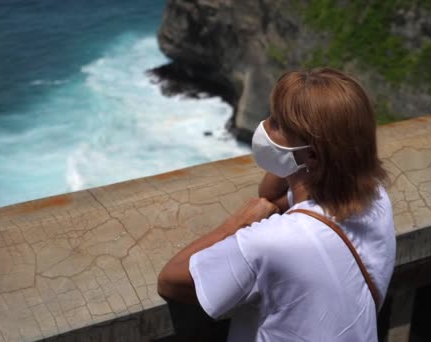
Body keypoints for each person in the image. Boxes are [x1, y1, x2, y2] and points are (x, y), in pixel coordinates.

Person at [157, 67, 396, 341]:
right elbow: (271, 194)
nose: (265, 126)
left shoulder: (273, 242)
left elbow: (171, 279)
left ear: (313, 156)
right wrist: (292, 157)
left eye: (277, 124)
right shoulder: (375, 198)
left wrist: (237, 223)